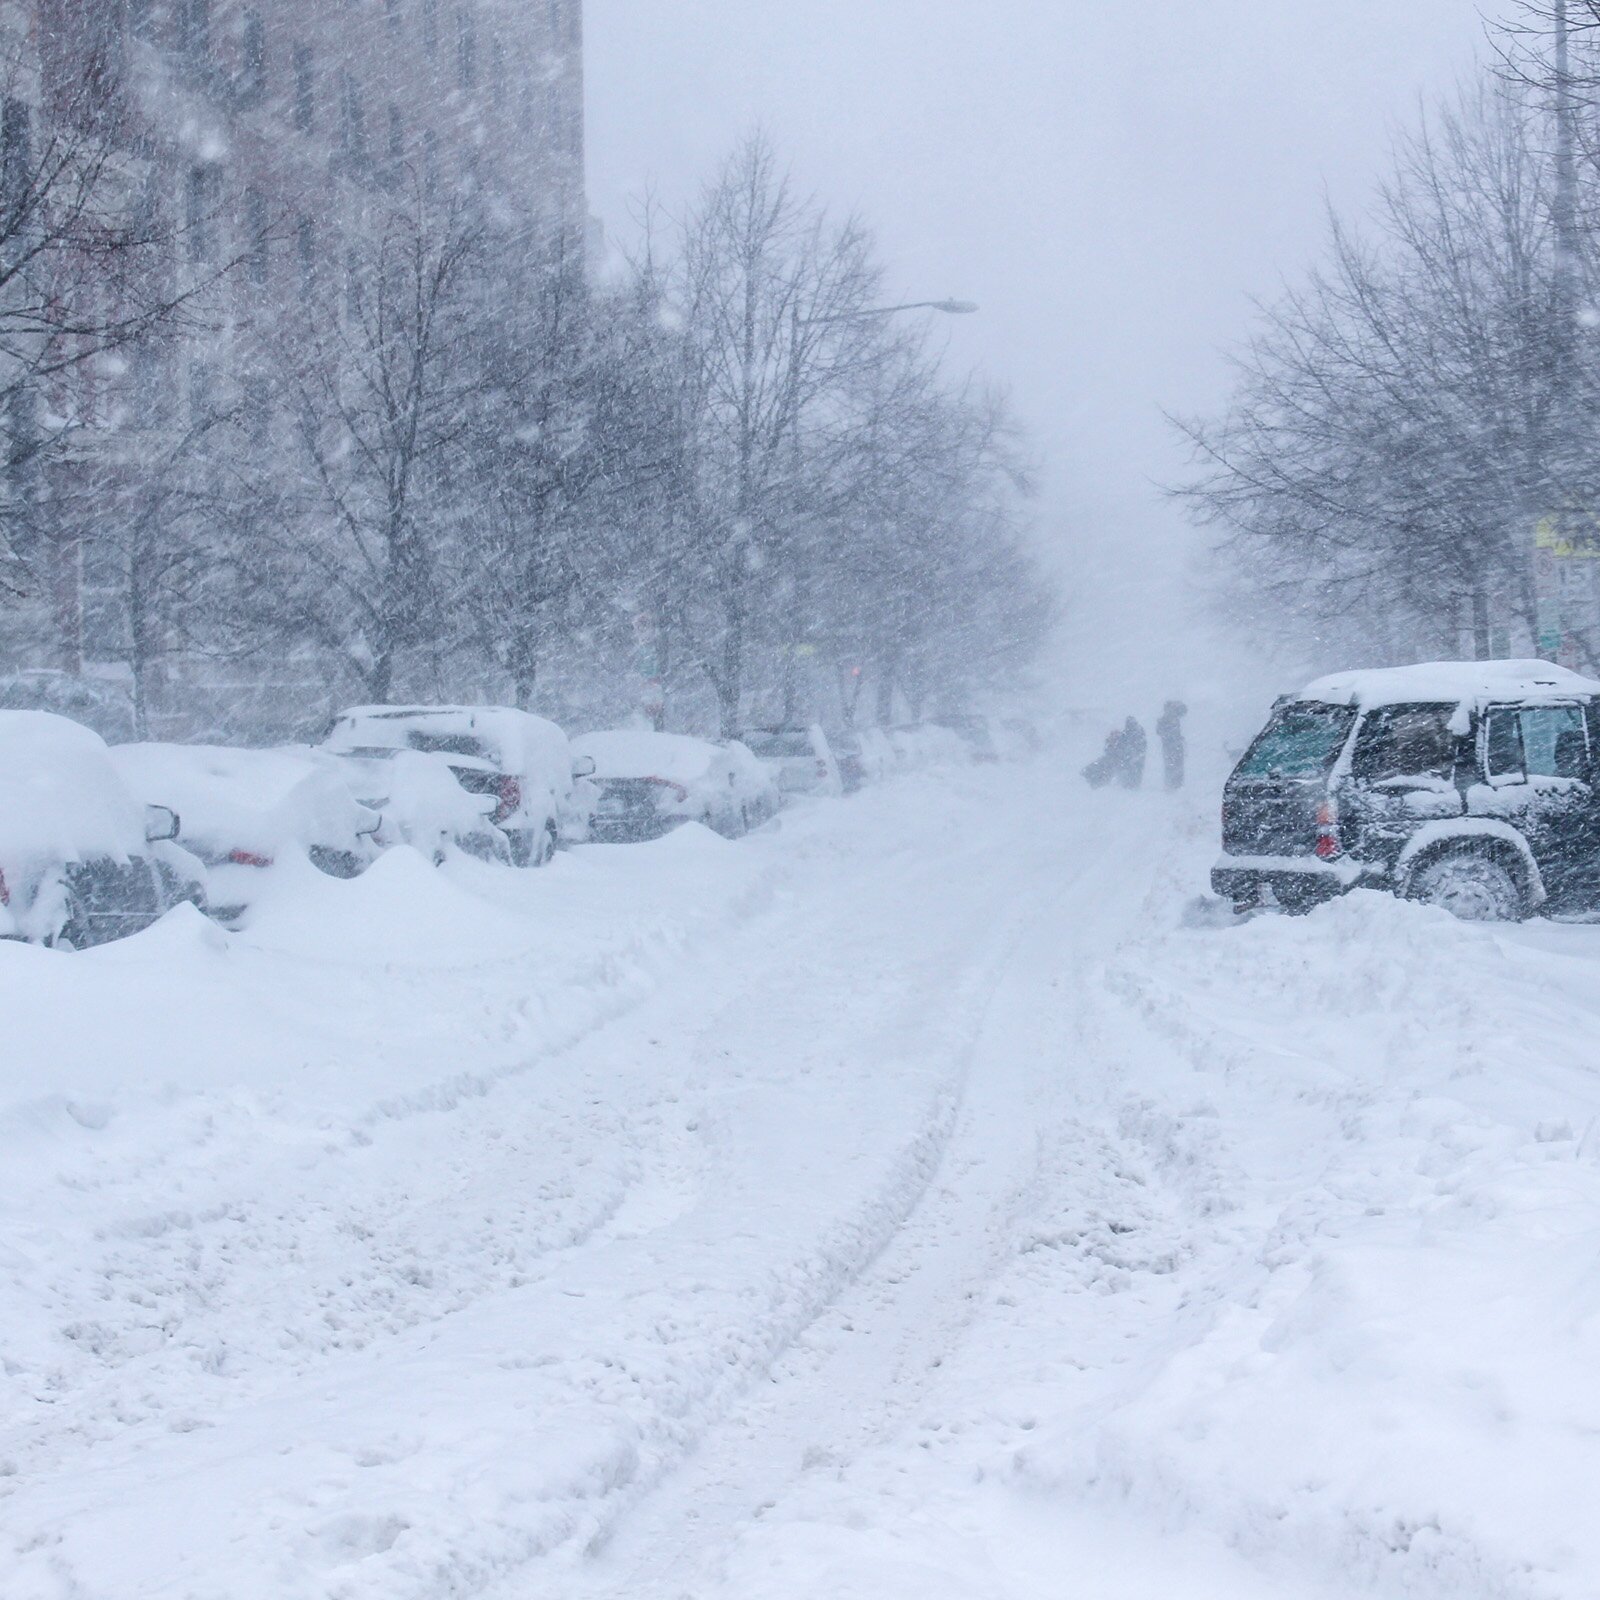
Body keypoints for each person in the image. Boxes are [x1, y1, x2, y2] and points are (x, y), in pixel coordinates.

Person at [1157, 700, 1187, 791]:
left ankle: (1174, 785)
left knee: (1173, 765)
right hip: (1171, 747)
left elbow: (1160, 732)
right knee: (1174, 765)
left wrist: (1178, 737)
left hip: (1172, 746)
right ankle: (1174, 786)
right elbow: (1160, 732)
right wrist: (1173, 738)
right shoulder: (1168, 718)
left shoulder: (1171, 718)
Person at [1117, 716, 1147, 789]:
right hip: (1131, 756)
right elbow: (1121, 744)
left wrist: (1137, 754)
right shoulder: (1127, 732)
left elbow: (1142, 744)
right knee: (1133, 771)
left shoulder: (1137, 732)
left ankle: (1133, 786)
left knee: (1135, 771)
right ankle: (1131, 785)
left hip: (1135, 756)